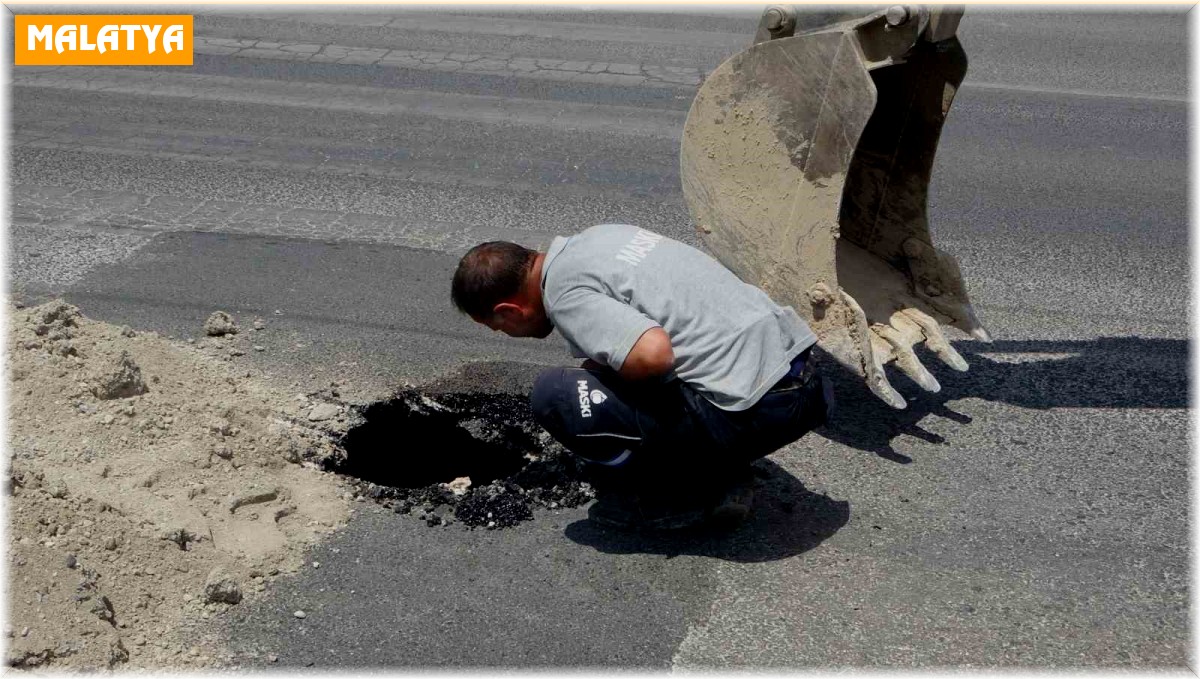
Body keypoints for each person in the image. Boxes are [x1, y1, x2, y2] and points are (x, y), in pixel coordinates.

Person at [451, 224, 833, 530]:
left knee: (556, 395)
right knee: (608, 376)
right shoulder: (598, 240)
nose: (503, 334)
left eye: (497, 327)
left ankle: (678, 496)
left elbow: (653, 355)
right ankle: (719, 467)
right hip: (803, 375)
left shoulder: (565, 295)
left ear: (509, 309)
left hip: (767, 406)